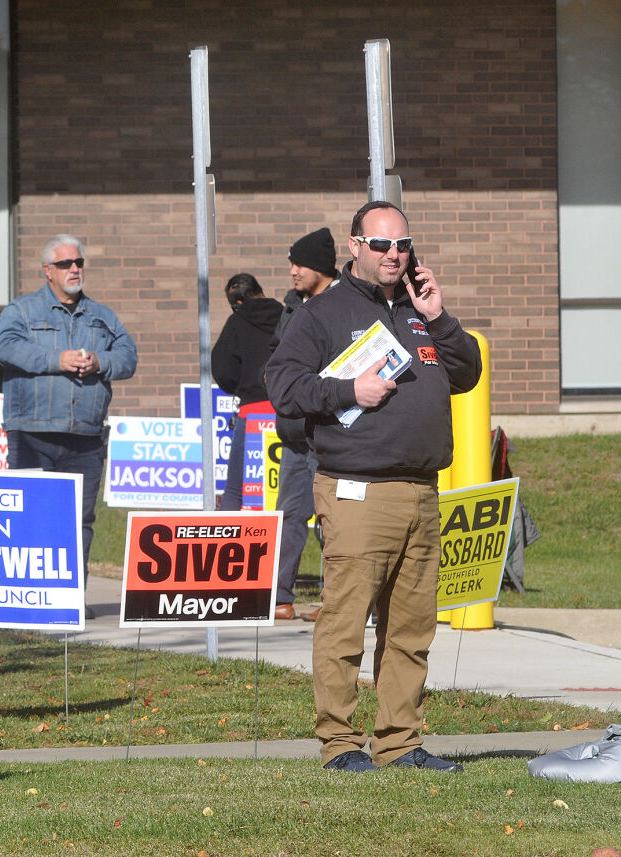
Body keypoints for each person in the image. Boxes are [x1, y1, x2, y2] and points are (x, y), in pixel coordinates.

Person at [264, 201, 482, 773]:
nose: (394, 255)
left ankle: (400, 742)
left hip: (421, 491)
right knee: (345, 624)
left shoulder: (419, 311)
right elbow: (282, 385)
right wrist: (344, 392)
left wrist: (438, 317)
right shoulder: (323, 313)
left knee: (411, 628)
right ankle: (339, 743)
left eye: (402, 245)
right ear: (355, 247)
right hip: (356, 490)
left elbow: (467, 373)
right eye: (381, 245)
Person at [0, 233, 138, 619]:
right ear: (47, 271)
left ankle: (71, 598)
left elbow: (128, 356)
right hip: (32, 432)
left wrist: (100, 363)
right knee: (30, 517)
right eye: (65, 264)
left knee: (79, 521)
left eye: (79, 263)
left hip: (85, 436)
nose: (75, 269)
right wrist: (57, 359)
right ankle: (28, 599)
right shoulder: (21, 312)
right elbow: (5, 347)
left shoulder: (102, 316)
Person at [267, 228, 340, 620]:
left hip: (330, 431)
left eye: (299, 264)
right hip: (294, 432)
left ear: (320, 268)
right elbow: (277, 353)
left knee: (334, 521)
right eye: (291, 263)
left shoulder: (345, 302)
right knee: (289, 514)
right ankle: (281, 597)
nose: (293, 272)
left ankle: (335, 602)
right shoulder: (292, 304)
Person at [210, 273, 283, 513]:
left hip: (252, 411)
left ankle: (223, 547)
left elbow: (222, 369)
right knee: (287, 492)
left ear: (237, 303)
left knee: (235, 491)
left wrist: (239, 386)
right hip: (287, 411)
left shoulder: (237, 321)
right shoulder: (286, 314)